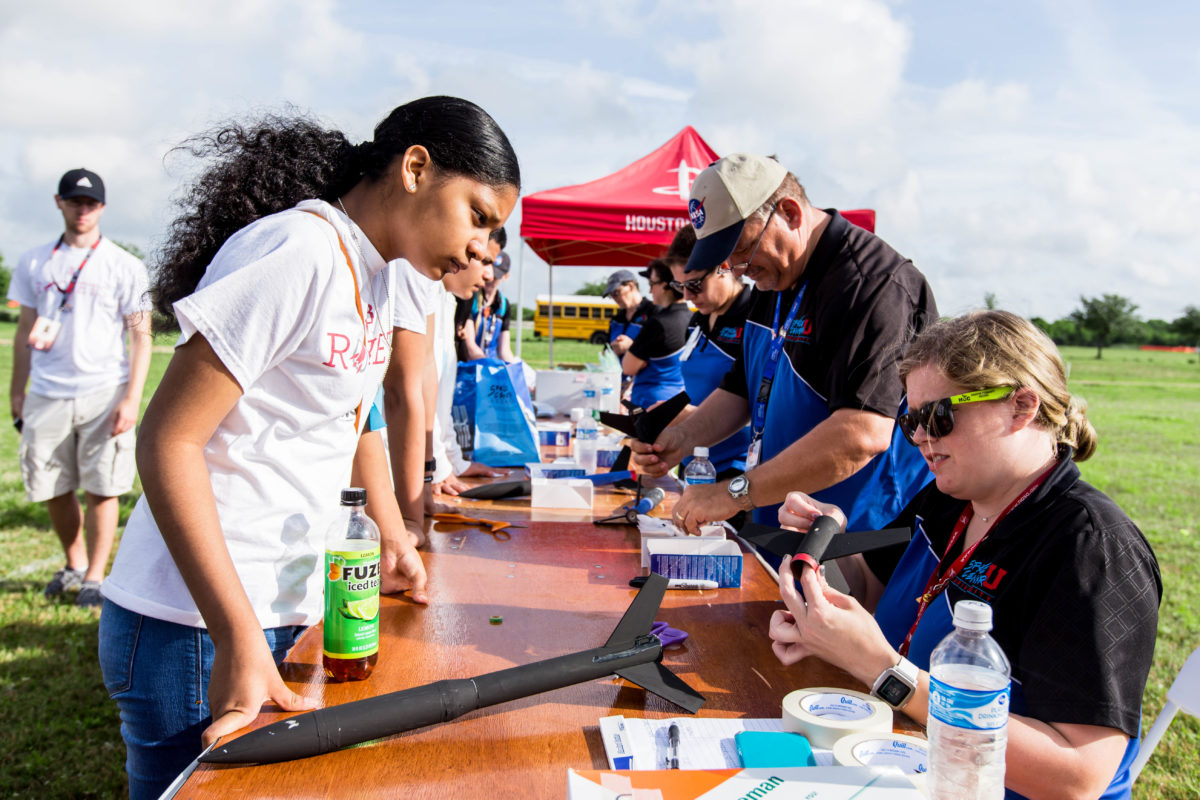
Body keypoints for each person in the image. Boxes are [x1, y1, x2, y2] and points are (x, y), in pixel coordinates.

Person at [96, 96, 519, 799]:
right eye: (478, 215)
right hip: (194, 625)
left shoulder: (380, 277)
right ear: (416, 168)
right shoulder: (299, 249)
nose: (484, 246)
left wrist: (393, 535)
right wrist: (234, 634)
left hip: (273, 609)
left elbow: (355, 422)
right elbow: (168, 440)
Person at [768, 310, 1161, 800]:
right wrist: (829, 545)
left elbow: (1076, 776)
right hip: (900, 765)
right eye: (911, 421)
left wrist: (887, 672)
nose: (919, 439)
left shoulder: (1092, 548)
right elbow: (871, 591)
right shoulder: (948, 495)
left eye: (939, 417)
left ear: (1021, 406)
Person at [633, 154, 937, 536]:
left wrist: (735, 492)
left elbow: (862, 433)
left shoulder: (872, 285)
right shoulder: (774, 277)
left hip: (856, 533)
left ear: (790, 213)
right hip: (781, 518)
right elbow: (742, 387)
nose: (738, 270)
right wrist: (680, 439)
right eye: (726, 261)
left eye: (741, 250)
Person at [7, 168, 152, 607]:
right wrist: (17, 390)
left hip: (104, 390)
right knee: (51, 485)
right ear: (59, 203)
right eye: (74, 202)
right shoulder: (35, 261)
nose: (82, 210)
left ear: (102, 208)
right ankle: (72, 563)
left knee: (102, 486)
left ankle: (94, 576)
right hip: (47, 391)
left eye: (90, 204)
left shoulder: (124, 265)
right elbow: (25, 329)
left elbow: (140, 334)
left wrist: (131, 398)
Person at [665, 227, 753, 478]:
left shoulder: (754, 318)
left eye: (693, 285)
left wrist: (692, 417)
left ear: (724, 267)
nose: (686, 295)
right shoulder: (697, 321)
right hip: (692, 463)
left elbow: (760, 403)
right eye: (678, 285)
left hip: (737, 470)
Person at [621, 258, 690, 409]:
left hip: (649, 402)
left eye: (652, 284)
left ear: (665, 286)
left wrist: (629, 348)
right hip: (679, 399)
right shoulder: (692, 318)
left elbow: (628, 367)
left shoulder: (658, 323)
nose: (650, 291)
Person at [458, 229, 516, 362]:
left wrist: (515, 372)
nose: (490, 278)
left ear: (505, 277)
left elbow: (504, 350)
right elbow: (471, 348)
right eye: (486, 265)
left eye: (497, 276)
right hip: (469, 366)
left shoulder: (504, 305)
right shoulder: (470, 296)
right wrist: (490, 364)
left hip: (488, 366)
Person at [604, 268, 655, 357]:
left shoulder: (653, 312)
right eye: (611, 295)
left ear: (630, 286)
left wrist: (632, 347)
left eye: (616, 292)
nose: (614, 298)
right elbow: (606, 349)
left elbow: (662, 349)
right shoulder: (616, 320)